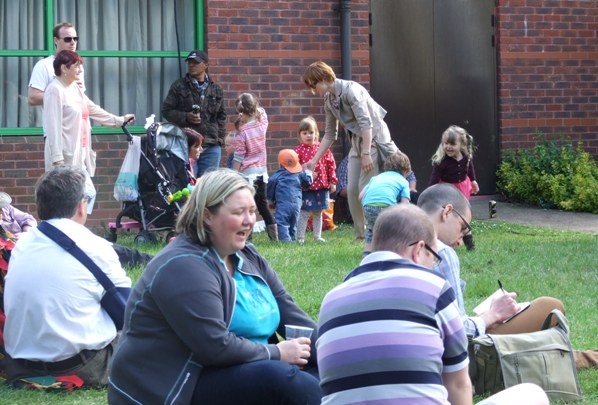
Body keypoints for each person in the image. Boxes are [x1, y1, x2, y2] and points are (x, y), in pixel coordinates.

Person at [108, 168, 321, 404]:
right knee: (284, 379)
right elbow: (215, 346)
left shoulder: (247, 256)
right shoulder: (183, 265)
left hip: (242, 367)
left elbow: (289, 312)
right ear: (207, 216)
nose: (249, 220)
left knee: (324, 371)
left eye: (251, 211)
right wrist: (277, 353)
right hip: (179, 385)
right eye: (239, 212)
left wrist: (334, 347)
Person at [316, 203, 549, 405]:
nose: (433, 266)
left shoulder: (331, 300)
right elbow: (458, 384)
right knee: (532, 394)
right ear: (419, 250)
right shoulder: (433, 287)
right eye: (434, 257)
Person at [417, 183, 598, 369]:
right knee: (550, 306)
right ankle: (579, 359)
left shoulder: (395, 244)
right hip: (452, 360)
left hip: (416, 353)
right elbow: (458, 333)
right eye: (463, 228)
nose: (460, 241)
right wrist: (493, 314)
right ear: (447, 212)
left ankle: (580, 357)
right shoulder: (441, 253)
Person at [3, 166, 132, 387]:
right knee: (149, 334)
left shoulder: (21, 245)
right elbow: (127, 313)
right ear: (81, 205)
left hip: (21, 365)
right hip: (79, 367)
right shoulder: (94, 246)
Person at [302, 61, 395, 243]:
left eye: (314, 85)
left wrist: (367, 153)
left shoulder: (352, 91)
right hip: (357, 141)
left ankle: (374, 234)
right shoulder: (329, 99)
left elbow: (366, 123)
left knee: (366, 188)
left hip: (374, 138)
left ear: (323, 79)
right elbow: (330, 134)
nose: (314, 90)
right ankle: (361, 235)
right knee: (351, 189)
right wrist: (314, 161)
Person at [43, 50, 135, 214]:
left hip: (80, 155)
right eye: (76, 66)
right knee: (71, 198)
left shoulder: (75, 89)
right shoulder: (54, 90)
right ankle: (64, 231)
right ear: (64, 68)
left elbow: (93, 110)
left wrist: (119, 120)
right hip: (64, 158)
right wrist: (58, 160)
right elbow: (52, 127)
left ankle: (73, 230)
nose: (80, 70)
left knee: (83, 195)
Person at [161, 50, 227, 177]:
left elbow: (221, 116)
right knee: (188, 182)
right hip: (187, 144)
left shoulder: (216, 89)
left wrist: (219, 139)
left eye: (195, 63)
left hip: (211, 146)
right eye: (190, 63)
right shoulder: (179, 86)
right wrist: (186, 117)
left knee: (209, 185)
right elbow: (166, 111)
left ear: (205, 65)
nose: (192, 65)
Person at [231, 93, 278, 241]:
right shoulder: (262, 122)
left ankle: (248, 237)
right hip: (261, 172)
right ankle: (274, 237)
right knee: (262, 205)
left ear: (242, 111)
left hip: (246, 175)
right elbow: (262, 110)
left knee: (246, 206)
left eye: (239, 112)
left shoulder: (242, 132)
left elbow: (239, 156)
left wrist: (234, 174)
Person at [428, 125, 479, 249]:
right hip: (446, 191)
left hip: (462, 188)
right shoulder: (441, 160)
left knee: (462, 215)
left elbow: (469, 168)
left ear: (461, 144)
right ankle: (444, 241)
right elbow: (434, 178)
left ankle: (470, 244)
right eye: (446, 143)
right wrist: (430, 193)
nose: (448, 147)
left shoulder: (465, 156)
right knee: (447, 216)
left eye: (452, 144)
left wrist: (473, 181)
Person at [359, 150, 412, 257]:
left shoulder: (376, 178)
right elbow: (405, 205)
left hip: (368, 206)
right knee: (393, 229)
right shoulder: (403, 181)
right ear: (406, 171)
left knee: (371, 229)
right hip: (387, 206)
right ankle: (392, 253)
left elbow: (360, 196)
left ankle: (367, 254)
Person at [294, 116, 337, 244]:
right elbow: (294, 168)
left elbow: (331, 165)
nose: (308, 136)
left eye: (311, 132)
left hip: (322, 186)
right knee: (304, 212)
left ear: (316, 133)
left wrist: (333, 181)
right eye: (305, 133)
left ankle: (317, 236)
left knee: (318, 213)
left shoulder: (323, 149)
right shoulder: (298, 151)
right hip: (306, 187)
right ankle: (300, 237)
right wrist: (303, 169)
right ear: (300, 135)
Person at [28, 22, 84, 107]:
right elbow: (33, 98)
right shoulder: (44, 65)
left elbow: (80, 97)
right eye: (68, 39)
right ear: (56, 40)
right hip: (56, 118)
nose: (73, 42)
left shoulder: (77, 65)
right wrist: (64, 93)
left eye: (75, 39)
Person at [267, 149, 313, 242]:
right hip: (297, 204)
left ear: (280, 163)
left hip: (283, 204)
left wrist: (271, 200)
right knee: (293, 222)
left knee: (282, 222)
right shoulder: (299, 174)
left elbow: (271, 184)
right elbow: (307, 182)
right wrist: (308, 172)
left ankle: (286, 241)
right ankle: (292, 238)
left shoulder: (278, 176)